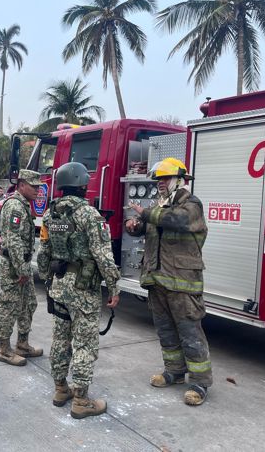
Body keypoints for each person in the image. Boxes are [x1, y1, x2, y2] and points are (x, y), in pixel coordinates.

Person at [124, 157, 212, 406]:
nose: (160, 184)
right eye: (158, 180)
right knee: (165, 331)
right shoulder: (160, 205)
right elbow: (149, 226)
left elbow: (177, 221)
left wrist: (147, 213)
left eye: (164, 179)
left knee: (189, 332)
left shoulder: (191, 205)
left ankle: (200, 382)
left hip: (182, 282)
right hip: (158, 280)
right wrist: (134, 226)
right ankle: (174, 371)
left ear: (180, 180)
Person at [37, 162, 120, 419]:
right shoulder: (90, 216)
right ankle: (81, 400)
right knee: (84, 343)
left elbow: (44, 252)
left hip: (59, 287)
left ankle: (61, 389)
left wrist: (45, 278)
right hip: (83, 290)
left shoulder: (51, 216)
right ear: (83, 185)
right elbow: (103, 256)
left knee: (61, 339)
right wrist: (114, 286)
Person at [0, 169, 42, 366]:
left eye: (39, 187)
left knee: (29, 303)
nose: (38, 191)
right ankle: (4, 349)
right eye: (34, 186)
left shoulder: (23, 205)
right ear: (22, 185)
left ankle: (22, 344)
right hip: (13, 266)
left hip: (21, 264)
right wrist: (22, 270)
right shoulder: (15, 206)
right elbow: (13, 240)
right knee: (10, 306)